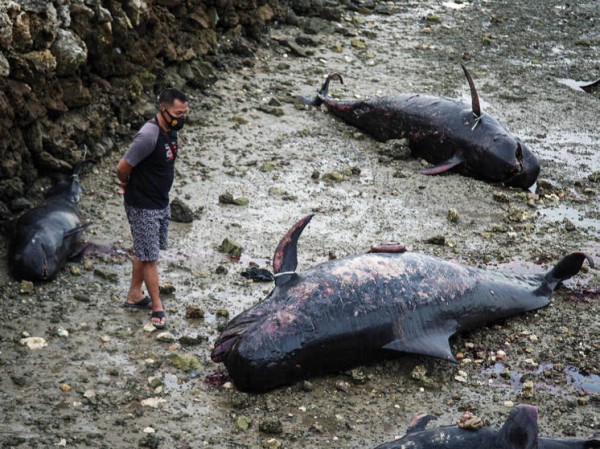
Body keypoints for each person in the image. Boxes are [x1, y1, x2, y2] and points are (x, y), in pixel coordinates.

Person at [116, 88, 189, 329]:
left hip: (160, 201)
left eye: (185, 113)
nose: (182, 118)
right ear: (163, 110)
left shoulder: (171, 130)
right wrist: (126, 185)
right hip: (143, 204)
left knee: (144, 250)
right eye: (178, 113)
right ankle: (157, 307)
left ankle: (134, 295)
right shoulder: (148, 135)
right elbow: (122, 166)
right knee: (150, 258)